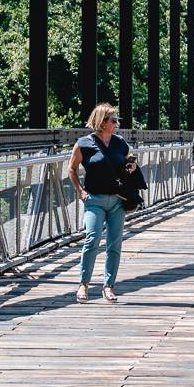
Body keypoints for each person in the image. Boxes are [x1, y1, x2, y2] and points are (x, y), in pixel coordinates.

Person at [68, 103, 136, 303]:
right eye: (113, 120)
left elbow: (129, 160)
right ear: (102, 122)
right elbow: (71, 168)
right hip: (94, 200)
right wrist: (81, 191)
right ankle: (84, 284)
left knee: (115, 243)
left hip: (117, 200)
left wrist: (132, 165)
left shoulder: (120, 142)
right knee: (92, 238)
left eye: (116, 120)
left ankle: (108, 286)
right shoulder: (84, 144)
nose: (116, 124)